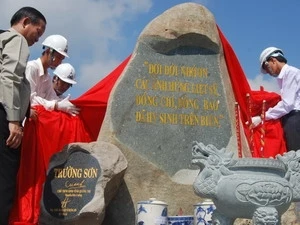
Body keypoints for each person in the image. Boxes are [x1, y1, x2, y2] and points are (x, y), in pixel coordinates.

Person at [0, 6, 46, 225]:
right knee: (4, 180)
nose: (38, 38)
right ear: (26, 21)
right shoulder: (16, 40)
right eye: (38, 31)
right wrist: (14, 120)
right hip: (4, 117)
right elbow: (10, 78)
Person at [252, 47, 300, 151]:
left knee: (296, 157)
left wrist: (263, 117)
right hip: (291, 118)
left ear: (273, 60)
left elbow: (287, 104)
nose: (268, 72)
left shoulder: (291, 73)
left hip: (295, 119)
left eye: (266, 67)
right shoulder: (283, 78)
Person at [26, 34, 79, 116]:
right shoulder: (32, 68)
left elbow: (52, 98)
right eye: (59, 57)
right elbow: (28, 99)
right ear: (49, 51)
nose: (60, 62)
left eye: (62, 59)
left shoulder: (47, 77)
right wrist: (56, 105)